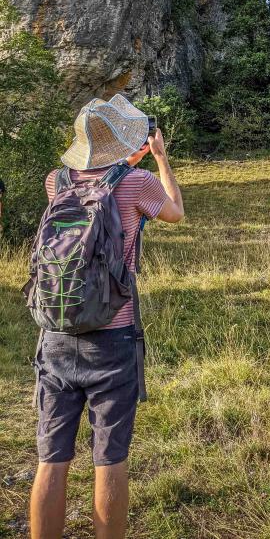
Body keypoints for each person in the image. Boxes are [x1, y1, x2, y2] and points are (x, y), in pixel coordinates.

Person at [29, 94, 185, 539]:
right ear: (126, 139)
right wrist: (160, 159)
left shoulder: (56, 182)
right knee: (110, 459)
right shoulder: (137, 182)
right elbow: (175, 211)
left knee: (51, 459)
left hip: (56, 333)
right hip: (113, 338)